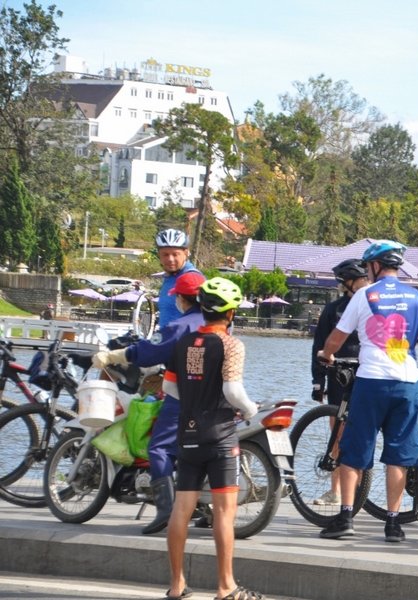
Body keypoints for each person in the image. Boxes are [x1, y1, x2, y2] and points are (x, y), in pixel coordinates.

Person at [316, 240, 418, 543]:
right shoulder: (416, 296)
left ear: (375, 266)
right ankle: (393, 524)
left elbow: (336, 338)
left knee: (354, 450)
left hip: (371, 382)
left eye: (367, 266)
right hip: (406, 383)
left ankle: (345, 517)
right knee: (398, 456)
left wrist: (326, 354)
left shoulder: (364, 294)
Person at [163, 277, 262, 600]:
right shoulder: (231, 344)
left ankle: (176, 585)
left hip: (187, 433)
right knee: (223, 512)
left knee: (181, 509)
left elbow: (169, 387)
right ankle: (225, 586)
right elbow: (232, 390)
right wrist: (250, 409)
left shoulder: (184, 343)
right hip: (220, 436)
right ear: (231, 313)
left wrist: (194, 401)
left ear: (202, 308)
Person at [92, 271, 206, 534]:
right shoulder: (219, 324)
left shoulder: (180, 326)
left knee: (160, 448)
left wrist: (112, 356)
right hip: (215, 397)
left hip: (184, 397)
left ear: (180, 298)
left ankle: (166, 509)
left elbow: (148, 351)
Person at [309, 258, 369, 506]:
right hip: (338, 375)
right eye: (362, 279)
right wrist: (317, 381)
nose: (366, 282)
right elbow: (319, 345)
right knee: (338, 435)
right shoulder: (333, 309)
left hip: (366, 372)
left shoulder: (372, 305)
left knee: (362, 434)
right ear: (348, 282)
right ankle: (335, 491)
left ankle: (358, 491)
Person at [156, 228, 201, 328]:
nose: (170, 259)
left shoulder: (192, 279)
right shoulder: (170, 277)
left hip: (184, 336)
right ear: (159, 255)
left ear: (185, 253)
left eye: (175, 254)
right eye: (165, 254)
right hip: (168, 336)